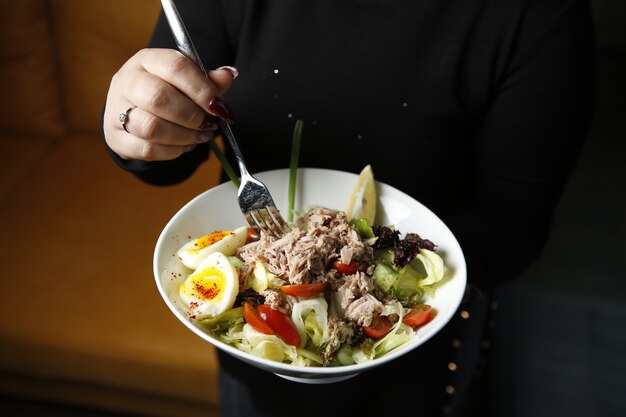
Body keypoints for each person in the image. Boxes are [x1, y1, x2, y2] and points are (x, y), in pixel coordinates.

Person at [102, 0, 596, 415]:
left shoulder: (536, 15)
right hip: (256, 357)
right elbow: (167, 154)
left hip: (422, 361)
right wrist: (136, 122)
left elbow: (515, 226)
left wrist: (381, 266)